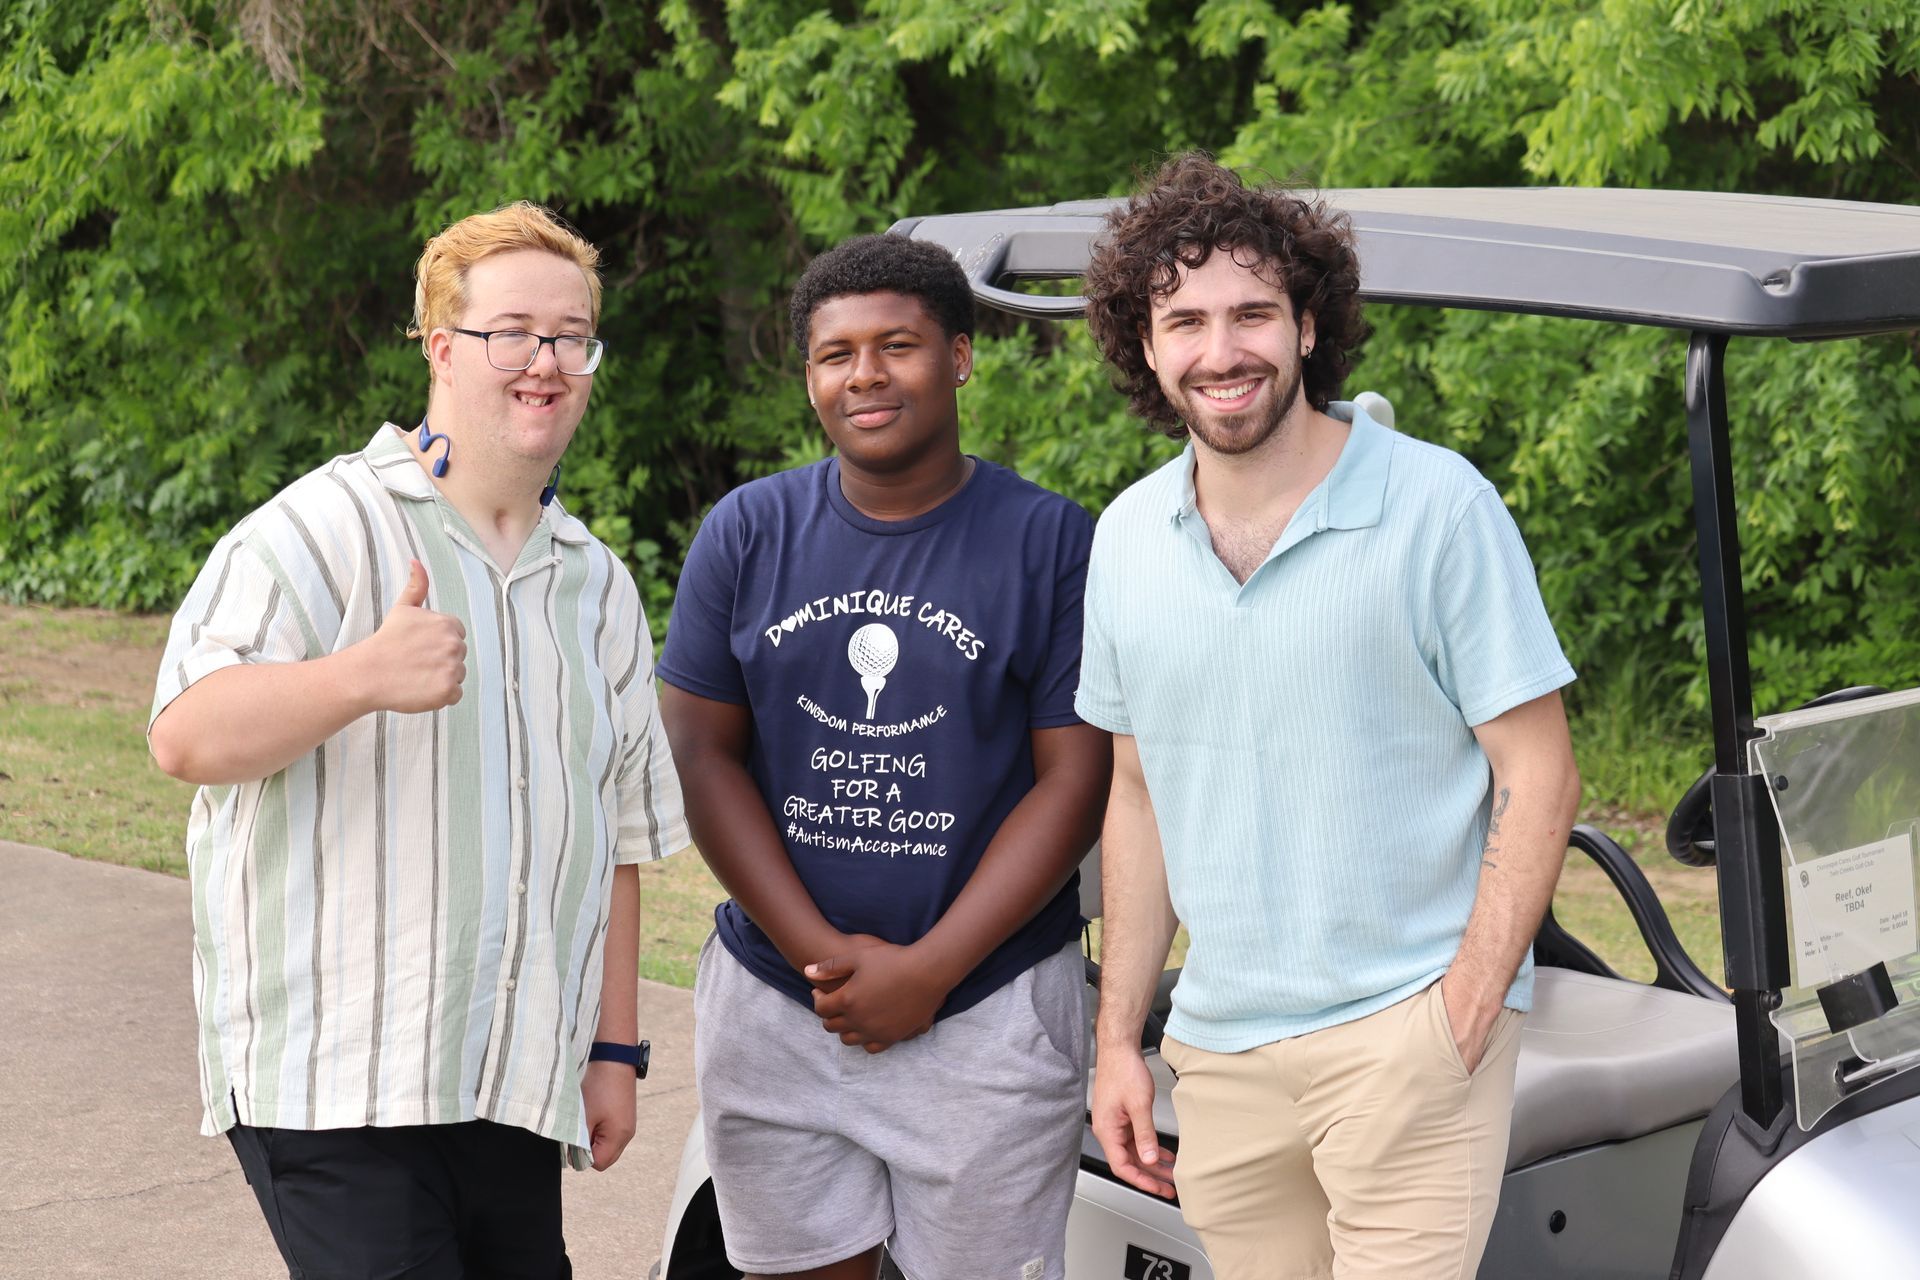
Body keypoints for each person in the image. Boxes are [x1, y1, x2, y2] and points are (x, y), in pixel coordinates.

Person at [147, 201, 688, 1279]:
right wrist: (358, 676)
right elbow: (184, 734)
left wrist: (614, 1049)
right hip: (341, 1079)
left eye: (571, 335)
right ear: (442, 346)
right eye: (512, 332)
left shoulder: (595, 584)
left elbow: (617, 836)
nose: (545, 360)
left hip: (512, 1080)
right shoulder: (318, 529)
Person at [1077, 153, 1582, 1280]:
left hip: (1408, 1034)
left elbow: (1539, 772)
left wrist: (1463, 1011)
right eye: (1186, 319)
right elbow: (1139, 792)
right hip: (1220, 1054)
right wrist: (1120, 1042)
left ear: (1308, 327)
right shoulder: (1123, 539)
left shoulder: (1438, 505)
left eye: (1254, 311)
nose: (1223, 349)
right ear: (1146, 346)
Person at [656, 232, 1110, 1280]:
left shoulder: (1050, 544)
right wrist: (821, 953)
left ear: (958, 356)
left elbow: (1074, 782)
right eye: (835, 353)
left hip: (988, 1011)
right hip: (779, 1004)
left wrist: (931, 968)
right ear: (809, 375)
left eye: (896, 345)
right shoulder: (747, 531)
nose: (865, 374)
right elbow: (703, 753)